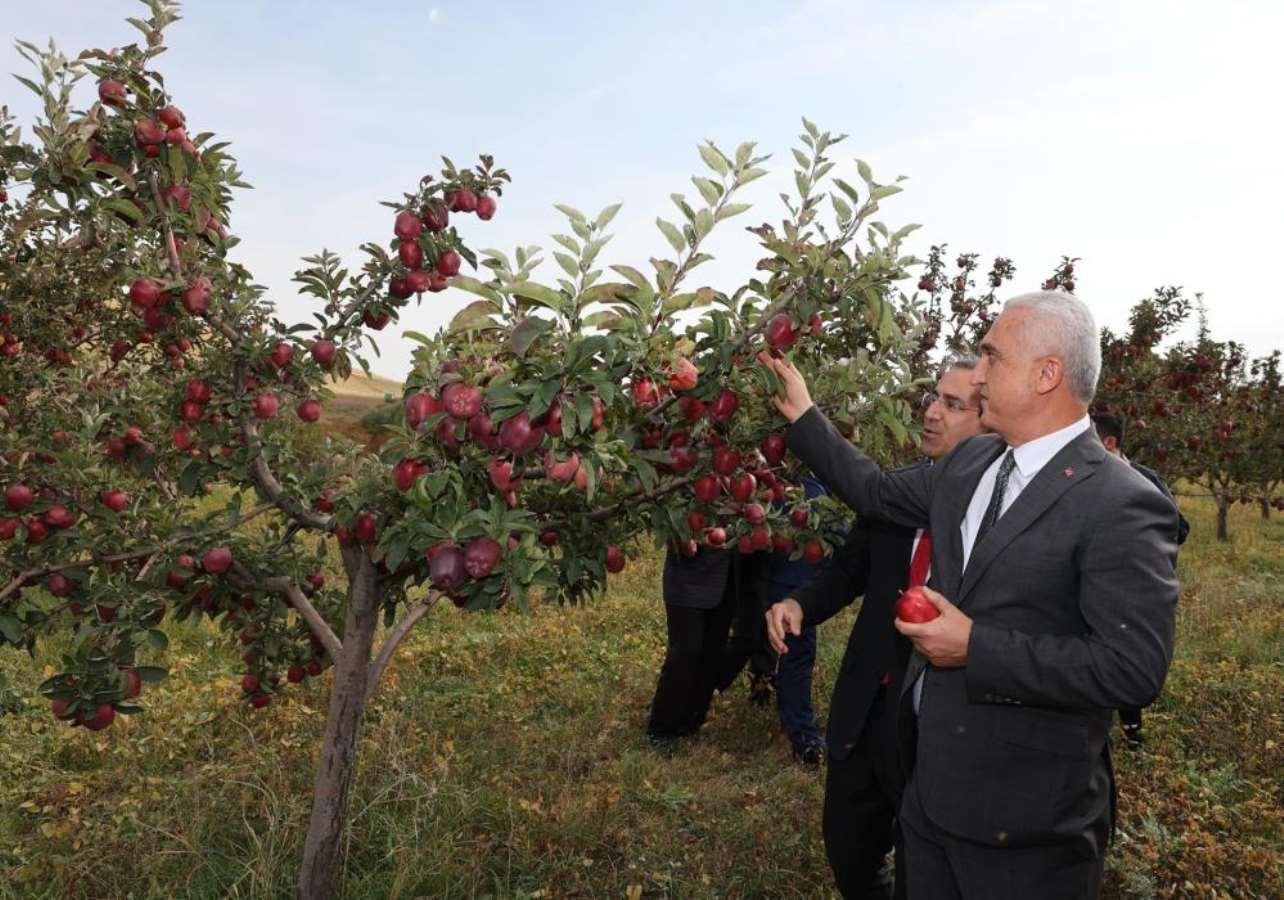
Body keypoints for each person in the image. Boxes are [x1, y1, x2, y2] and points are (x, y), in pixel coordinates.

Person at [759, 291, 1179, 900]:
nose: (977, 372)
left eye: (991, 357)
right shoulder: (975, 461)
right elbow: (876, 493)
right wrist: (804, 417)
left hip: (1027, 824)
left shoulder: (1121, 501)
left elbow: (1132, 669)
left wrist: (976, 647)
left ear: (1046, 374)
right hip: (930, 794)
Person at [766, 356, 987, 899]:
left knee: (926, 862)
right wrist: (801, 602)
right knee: (848, 845)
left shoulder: (998, 505)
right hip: (870, 702)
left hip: (940, 714)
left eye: (953, 405)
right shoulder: (907, 487)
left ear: (991, 422)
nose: (932, 414)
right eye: (932, 398)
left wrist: (806, 416)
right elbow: (852, 567)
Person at [1091, 411, 1189, 749]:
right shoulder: (1080, 478)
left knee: (1125, 654)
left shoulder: (1145, 480)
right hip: (1091, 586)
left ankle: (1133, 733)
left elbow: (1181, 528)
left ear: (1109, 443)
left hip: (1130, 590)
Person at [646, 544, 768, 748]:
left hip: (727, 578)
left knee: (713, 652)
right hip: (688, 577)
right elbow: (671, 524)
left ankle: (690, 722)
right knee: (685, 651)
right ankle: (661, 728)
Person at [763, 473, 830, 766]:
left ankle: (771, 693)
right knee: (797, 651)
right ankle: (802, 737)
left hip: (797, 574)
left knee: (790, 649)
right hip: (792, 576)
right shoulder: (795, 472)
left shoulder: (808, 471)